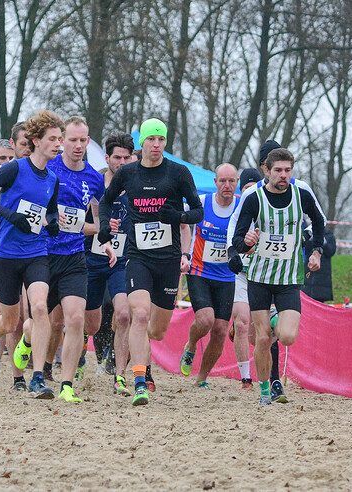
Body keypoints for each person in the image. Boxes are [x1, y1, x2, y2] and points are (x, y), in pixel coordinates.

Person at [98, 118, 202, 406]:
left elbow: (197, 211)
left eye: (161, 140)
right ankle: (140, 380)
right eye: (151, 140)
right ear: (141, 143)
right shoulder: (129, 173)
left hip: (167, 260)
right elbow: (105, 202)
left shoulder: (178, 173)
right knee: (139, 315)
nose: (156, 145)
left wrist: (178, 217)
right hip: (138, 256)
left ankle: (145, 365)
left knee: (156, 329)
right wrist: (105, 224)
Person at [0, 109, 62, 399]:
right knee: (9, 323)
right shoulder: (14, 168)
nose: (58, 144)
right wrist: (9, 216)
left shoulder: (52, 178)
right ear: (36, 140)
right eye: (53, 139)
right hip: (6, 254)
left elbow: (50, 210)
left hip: (36, 253)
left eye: (60, 138)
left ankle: (37, 378)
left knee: (38, 308)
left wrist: (54, 222)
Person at [13, 116, 104, 403]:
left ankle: (66, 384)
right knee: (39, 321)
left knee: (75, 319)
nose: (78, 146)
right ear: (62, 140)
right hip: (42, 254)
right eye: (72, 140)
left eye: (83, 140)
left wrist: (90, 229)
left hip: (74, 256)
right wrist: (49, 218)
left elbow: (96, 223)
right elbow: (25, 205)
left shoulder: (94, 178)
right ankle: (27, 339)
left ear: (88, 142)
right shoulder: (47, 168)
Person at [226, 139, 326, 401]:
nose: (283, 175)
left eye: (287, 170)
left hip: (289, 277)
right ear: (266, 171)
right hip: (259, 277)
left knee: (288, 336)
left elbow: (319, 222)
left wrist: (316, 251)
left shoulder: (301, 195)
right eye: (278, 170)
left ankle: (274, 319)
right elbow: (237, 239)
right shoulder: (253, 198)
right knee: (261, 338)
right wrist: (244, 243)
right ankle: (264, 390)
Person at [178, 163, 239, 388]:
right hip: (200, 271)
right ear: (215, 182)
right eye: (222, 181)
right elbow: (181, 222)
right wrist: (182, 254)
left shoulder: (242, 206)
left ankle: (202, 377)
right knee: (205, 320)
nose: (227, 185)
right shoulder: (202, 203)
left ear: (237, 182)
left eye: (231, 181)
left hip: (227, 276)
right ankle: (191, 345)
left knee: (221, 330)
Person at [84, 132, 136, 396]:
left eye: (127, 157)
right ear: (108, 158)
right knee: (91, 323)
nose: (122, 162)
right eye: (117, 157)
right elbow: (74, 224)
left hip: (123, 260)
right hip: (91, 259)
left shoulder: (139, 185)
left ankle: (120, 376)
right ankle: (81, 355)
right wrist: (98, 228)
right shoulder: (94, 183)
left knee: (124, 314)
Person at [227, 168, 261, 389]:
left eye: (253, 189)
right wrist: (233, 255)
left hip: (263, 276)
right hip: (241, 275)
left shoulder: (268, 211)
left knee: (256, 333)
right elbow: (230, 239)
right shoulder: (238, 214)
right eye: (245, 190)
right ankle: (246, 378)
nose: (249, 194)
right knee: (242, 324)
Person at [302, 227, 337, 302]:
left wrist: (322, 241)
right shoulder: (308, 234)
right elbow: (305, 249)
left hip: (323, 277)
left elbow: (331, 251)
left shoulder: (329, 235)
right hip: (308, 272)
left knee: (319, 303)